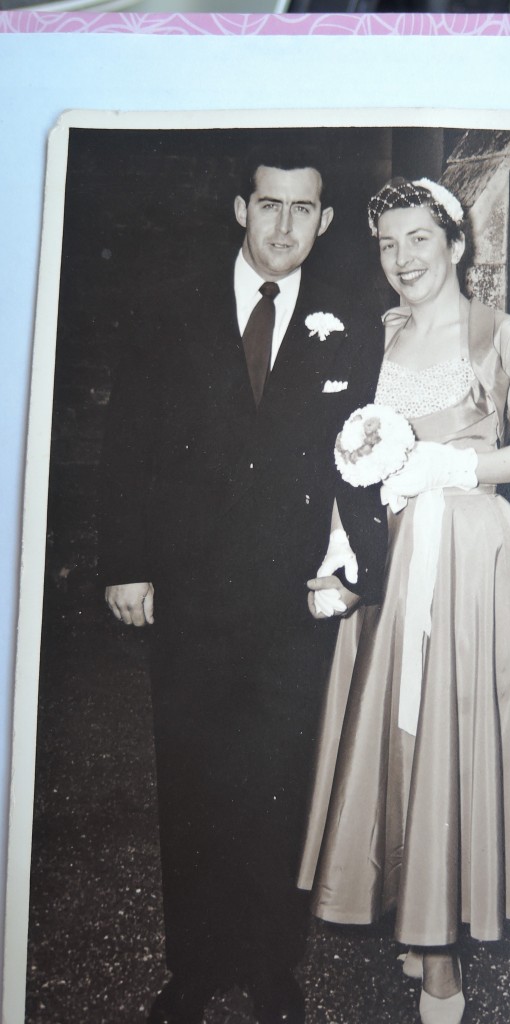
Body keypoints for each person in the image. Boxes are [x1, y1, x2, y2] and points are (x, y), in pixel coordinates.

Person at [299, 178, 510, 1024]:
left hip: (472, 559)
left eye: (420, 239)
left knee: (457, 730)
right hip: (393, 562)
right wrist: (343, 548)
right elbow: (353, 455)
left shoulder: (504, 337)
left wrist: (463, 467)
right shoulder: (372, 340)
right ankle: (419, 926)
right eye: (388, 244)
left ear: (456, 244)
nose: (403, 259)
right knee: (398, 733)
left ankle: (441, 946)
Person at [99, 144, 387, 1024]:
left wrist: (354, 569)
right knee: (189, 775)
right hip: (187, 587)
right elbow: (129, 440)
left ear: (326, 221)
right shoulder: (169, 307)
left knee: (275, 777)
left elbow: (367, 456)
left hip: (288, 593)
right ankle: (193, 967)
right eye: (270, 206)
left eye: (304, 211)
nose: (285, 227)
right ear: (241, 208)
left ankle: (268, 965)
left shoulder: (351, 319)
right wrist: (125, 562)